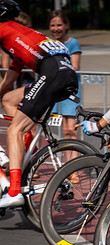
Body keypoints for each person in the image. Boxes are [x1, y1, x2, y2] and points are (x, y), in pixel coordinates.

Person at [0, 0, 77, 208]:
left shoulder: (3, 29)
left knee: (13, 130)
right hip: (65, 75)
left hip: (52, 75)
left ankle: (14, 191)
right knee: (8, 99)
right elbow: (9, 79)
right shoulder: (22, 33)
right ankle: (28, 145)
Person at [48, 10, 82, 182]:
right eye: (53, 25)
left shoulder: (73, 43)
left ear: (66, 25)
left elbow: (75, 66)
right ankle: (63, 165)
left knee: (71, 130)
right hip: (55, 89)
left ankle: (73, 168)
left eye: (59, 24)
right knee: (59, 130)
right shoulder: (48, 44)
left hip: (69, 90)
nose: (56, 28)